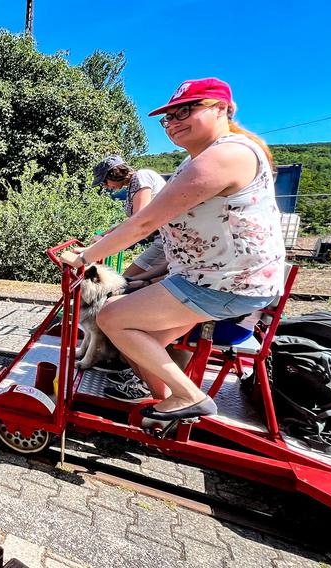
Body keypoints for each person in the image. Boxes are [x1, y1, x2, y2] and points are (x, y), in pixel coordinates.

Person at [61, 78, 285, 420]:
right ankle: (164, 403)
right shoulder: (210, 156)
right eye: (168, 118)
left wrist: (84, 257)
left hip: (224, 283)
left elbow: (142, 224)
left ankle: (188, 396)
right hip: (217, 278)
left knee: (110, 318)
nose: (174, 122)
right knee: (139, 337)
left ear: (223, 108)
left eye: (186, 111)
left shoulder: (226, 154)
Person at [91, 156, 168, 287]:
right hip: (162, 238)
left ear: (115, 174)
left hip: (165, 239)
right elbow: (132, 221)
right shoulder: (133, 184)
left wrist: (101, 245)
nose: (106, 186)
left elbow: (139, 221)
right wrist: (106, 234)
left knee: (124, 282)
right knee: (132, 283)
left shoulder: (141, 177)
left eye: (105, 181)